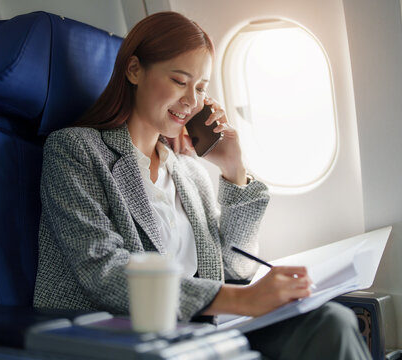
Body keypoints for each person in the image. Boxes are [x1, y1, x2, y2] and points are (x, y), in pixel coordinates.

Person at [33, 11, 371, 360]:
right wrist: (241, 300)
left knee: (331, 320)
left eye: (200, 88)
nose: (192, 101)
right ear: (134, 70)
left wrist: (233, 169)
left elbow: (236, 268)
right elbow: (103, 270)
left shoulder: (188, 173)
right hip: (124, 336)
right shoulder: (76, 150)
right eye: (180, 82)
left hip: (201, 330)